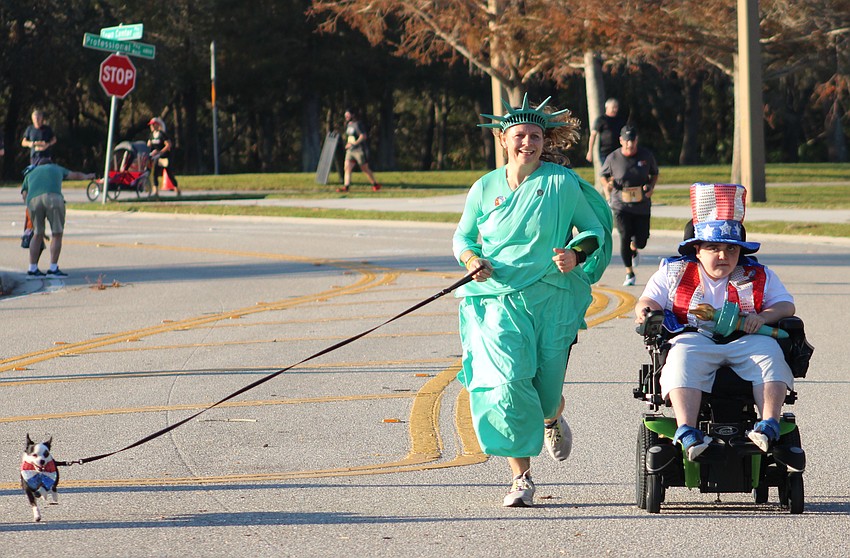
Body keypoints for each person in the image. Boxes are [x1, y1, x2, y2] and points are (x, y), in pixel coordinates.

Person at [453, 94, 612, 507]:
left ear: (546, 141)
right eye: (520, 135)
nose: (529, 142)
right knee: (507, 382)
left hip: (551, 297)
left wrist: (575, 253)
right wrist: (472, 258)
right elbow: (463, 237)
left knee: (542, 392)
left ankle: (553, 415)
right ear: (504, 139)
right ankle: (520, 477)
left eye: (536, 136)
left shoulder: (561, 182)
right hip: (496, 298)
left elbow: (593, 229)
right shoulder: (484, 186)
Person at [634, 183, 796, 461]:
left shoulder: (757, 274)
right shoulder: (673, 273)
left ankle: (768, 424)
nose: (723, 256)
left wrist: (763, 317)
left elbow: (786, 305)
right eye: (714, 248)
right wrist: (647, 312)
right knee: (681, 356)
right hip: (693, 337)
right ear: (697, 249)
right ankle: (687, 430)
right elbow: (647, 301)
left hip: (746, 338)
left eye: (731, 250)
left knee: (770, 354)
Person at [600, 125, 658, 286]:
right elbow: (603, 176)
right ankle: (629, 273)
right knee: (624, 236)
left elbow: (654, 173)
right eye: (626, 141)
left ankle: (635, 246)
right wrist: (607, 186)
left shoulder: (646, 155)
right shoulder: (613, 158)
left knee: (642, 241)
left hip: (642, 205)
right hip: (621, 205)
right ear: (620, 140)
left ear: (636, 140)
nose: (629, 144)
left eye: (632, 141)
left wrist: (651, 188)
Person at [21, 158, 95, 277]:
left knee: (37, 234)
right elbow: (74, 175)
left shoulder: (30, 172)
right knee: (56, 233)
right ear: (50, 163)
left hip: (33, 201)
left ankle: (32, 268)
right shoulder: (56, 168)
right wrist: (87, 176)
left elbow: (24, 194)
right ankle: (53, 268)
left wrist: (30, 208)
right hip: (53, 198)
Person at [339, 109, 381, 193]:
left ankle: (375, 184)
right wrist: (348, 143)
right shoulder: (348, 125)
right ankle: (346, 187)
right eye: (345, 115)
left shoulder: (357, 124)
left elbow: (363, 136)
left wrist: (354, 143)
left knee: (364, 168)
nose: (346, 117)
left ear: (352, 115)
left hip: (359, 150)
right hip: (350, 151)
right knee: (347, 168)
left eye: (348, 115)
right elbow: (350, 137)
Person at [585, 98, 626, 165]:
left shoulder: (620, 120)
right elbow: (593, 135)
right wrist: (590, 151)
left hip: (618, 151)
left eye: (616, 107)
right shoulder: (601, 120)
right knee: (608, 172)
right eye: (613, 107)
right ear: (607, 108)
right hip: (605, 152)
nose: (615, 110)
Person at [147, 117, 178, 197]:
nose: (152, 127)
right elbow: (149, 144)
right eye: (151, 125)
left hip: (164, 157)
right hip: (157, 157)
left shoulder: (162, 134)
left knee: (169, 174)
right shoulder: (151, 135)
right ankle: (156, 192)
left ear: (158, 125)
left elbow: (168, 145)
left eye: (153, 125)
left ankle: (177, 189)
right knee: (155, 174)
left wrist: (160, 152)